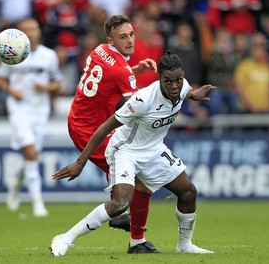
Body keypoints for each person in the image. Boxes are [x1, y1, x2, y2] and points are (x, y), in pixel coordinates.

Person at [50, 51, 215, 256]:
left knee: (188, 191)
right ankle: (66, 238)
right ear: (159, 79)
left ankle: (184, 246)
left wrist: (193, 94)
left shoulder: (183, 87)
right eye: (168, 81)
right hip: (125, 150)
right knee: (120, 204)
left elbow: (185, 90)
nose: (174, 86)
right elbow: (104, 127)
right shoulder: (142, 100)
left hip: (153, 149)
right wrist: (80, 162)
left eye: (178, 80)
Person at [0, 17, 62, 217]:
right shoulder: (11, 52)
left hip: (40, 111)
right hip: (19, 109)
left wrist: (46, 87)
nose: (31, 32)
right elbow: (0, 79)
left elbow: (58, 83)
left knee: (32, 155)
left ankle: (15, 183)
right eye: (26, 29)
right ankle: (37, 203)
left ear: (39, 31)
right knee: (31, 151)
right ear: (20, 33)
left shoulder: (49, 56)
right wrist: (11, 91)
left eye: (33, 28)